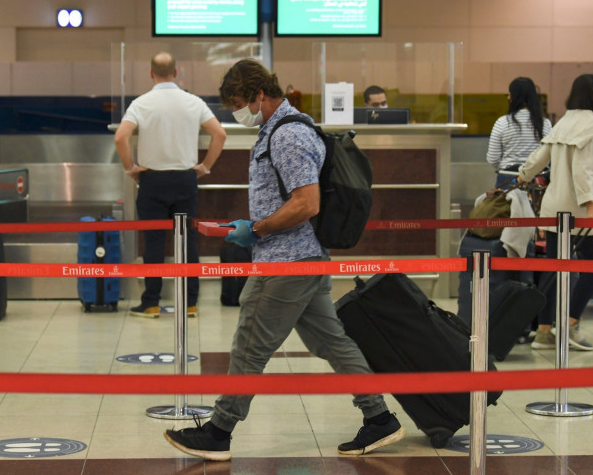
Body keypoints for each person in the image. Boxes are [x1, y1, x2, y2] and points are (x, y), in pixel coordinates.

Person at [163, 59, 405, 462]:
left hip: (287, 262)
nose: (237, 111)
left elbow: (306, 203)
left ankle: (219, 432)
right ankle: (379, 419)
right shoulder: (279, 129)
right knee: (331, 341)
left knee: (249, 344)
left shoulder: (288, 135)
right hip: (303, 258)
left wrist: (255, 230)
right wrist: (252, 226)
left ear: (260, 94)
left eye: (240, 102)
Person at [113, 52, 227, 318]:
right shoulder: (193, 102)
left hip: (152, 180)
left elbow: (121, 138)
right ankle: (189, 302)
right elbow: (219, 134)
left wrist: (131, 169)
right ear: (176, 73)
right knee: (187, 240)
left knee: (152, 242)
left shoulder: (141, 103)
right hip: (185, 179)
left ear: (151, 74)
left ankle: (151, 302)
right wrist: (205, 167)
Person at [517, 73, 593, 351]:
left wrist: (523, 176)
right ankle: (570, 324)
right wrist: (589, 201)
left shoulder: (565, 121)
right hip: (578, 208)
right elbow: (585, 169)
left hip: (552, 206)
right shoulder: (591, 126)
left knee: (555, 268)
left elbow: (539, 157)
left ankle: (544, 332)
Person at [487, 77, 552, 188]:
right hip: (537, 180)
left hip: (507, 178)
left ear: (514, 97)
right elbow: (550, 155)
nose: (508, 97)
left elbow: (493, 159)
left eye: (510, 94)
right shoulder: (545, 123)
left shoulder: (502, 122)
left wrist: (507, 165)